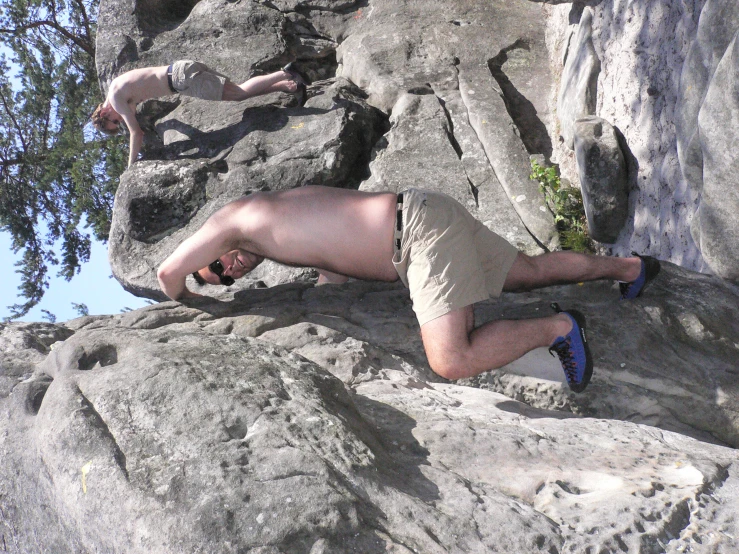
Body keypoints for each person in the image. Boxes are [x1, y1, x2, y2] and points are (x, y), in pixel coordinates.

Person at [156, 186, 660, 392]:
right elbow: (335, 256)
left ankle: (560, 327)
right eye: (224, 280)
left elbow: (166, 275)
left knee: (451, 360)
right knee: (529, 270)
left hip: (417, 237)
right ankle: (630, 270)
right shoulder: (273, 220)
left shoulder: (232, 220)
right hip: (422, 213)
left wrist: (194, 298)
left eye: (214, 267)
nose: (228, 270)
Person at [91, 60, 311, 167]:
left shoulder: (117, 100)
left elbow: (135, 133)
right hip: (181, 70)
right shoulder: (117, 89)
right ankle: (287, 85)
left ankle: (287, 72)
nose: (119, 121)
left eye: (115, 123)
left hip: (181, 79)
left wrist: (130, 166)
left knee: (238, 94)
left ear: (105, 115)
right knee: (237, 92)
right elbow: (136, 112)